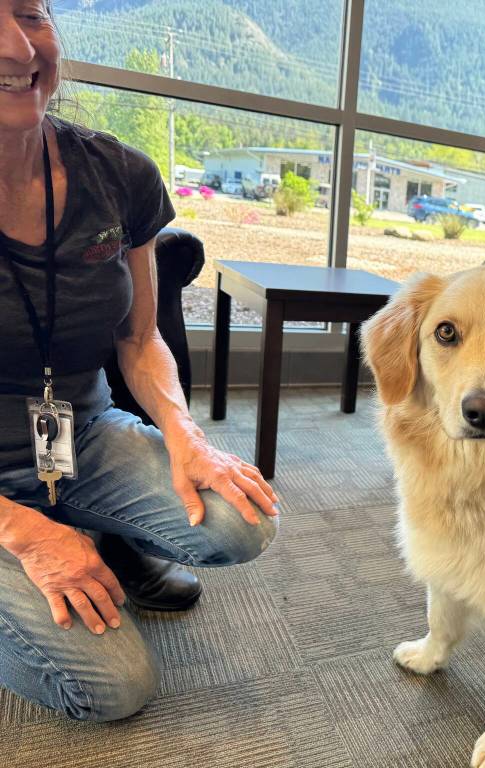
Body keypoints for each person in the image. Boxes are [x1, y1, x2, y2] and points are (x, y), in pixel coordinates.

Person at [0, 0, 279, 722]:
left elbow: (140, 338)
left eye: (30, 14)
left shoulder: (119, 173)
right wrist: (24, 532)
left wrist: (186, 435)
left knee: (240, 520)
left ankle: (92, 528)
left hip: (80, 435)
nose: (17, 48)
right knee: (112, 689)